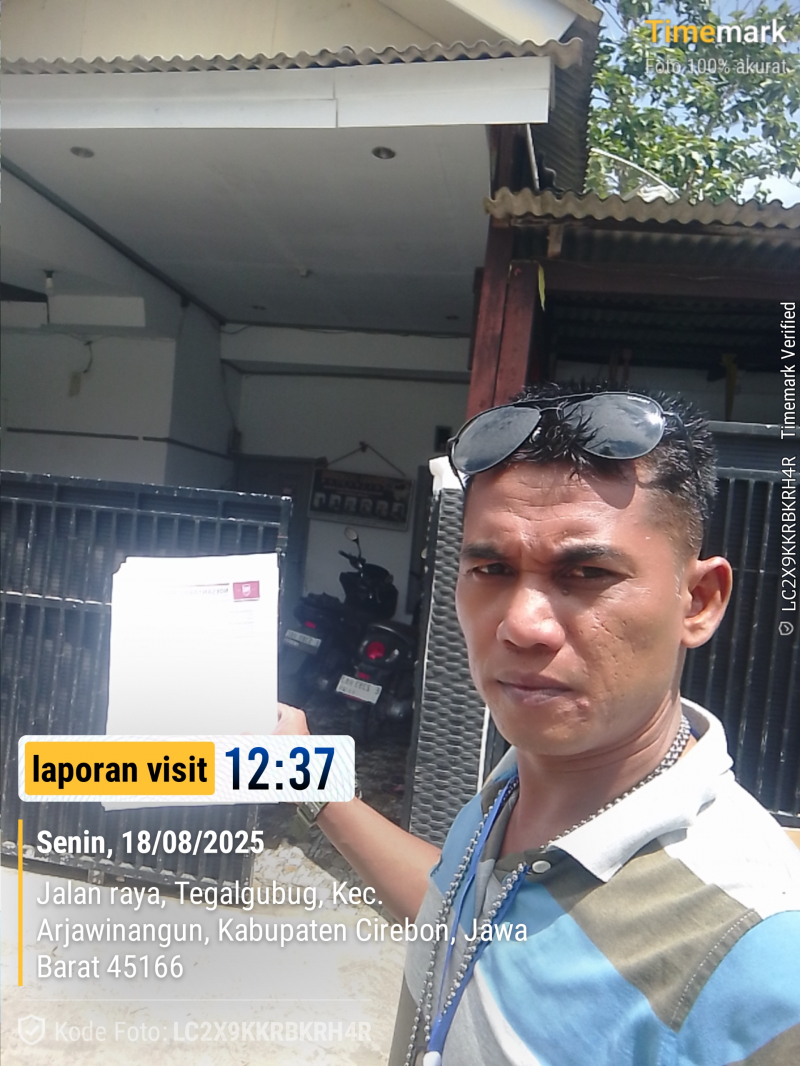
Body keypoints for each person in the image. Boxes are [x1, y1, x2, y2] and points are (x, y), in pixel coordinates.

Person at [276, 383, 800, 1065]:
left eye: (587, 572)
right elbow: (463, 914)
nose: (521, 625)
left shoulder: (756, 955)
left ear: (697, 601)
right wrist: (311, 779)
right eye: (492, 568)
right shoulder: (517, 781)